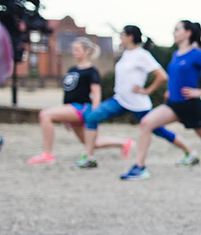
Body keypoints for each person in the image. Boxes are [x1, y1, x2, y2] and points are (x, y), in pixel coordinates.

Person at [121, 20, 201, 180]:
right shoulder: (176, 54)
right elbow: (177, 76)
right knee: (146, 123)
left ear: (188, 33)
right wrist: (170, 89)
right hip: (173, 105)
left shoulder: (197, 54)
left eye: (177, 29)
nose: (174, 32)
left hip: (191, 106)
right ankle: (139, 167)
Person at [75, 26, 197, 169]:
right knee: (92, 117)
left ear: (130, 37)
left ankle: (190, 152)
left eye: (122, 35)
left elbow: (162, 76)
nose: (120, 37)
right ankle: (89, 157)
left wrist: (147, 91)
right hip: (119, 100)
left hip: (138, 103)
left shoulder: (142, 55)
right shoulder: (125, 54)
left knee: (159, 130)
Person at [26, 37, 130, 165]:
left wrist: (95, 114)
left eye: (77, 49)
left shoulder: (92, 71)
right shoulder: (72, 70)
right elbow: (68, 92)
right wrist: (65, 116)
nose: (74, 52)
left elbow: (96, 94)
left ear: (86, 51)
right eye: (73, 49)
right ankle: (124, 143)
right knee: (91, 143)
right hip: (70, 108)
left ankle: (47, 155)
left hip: (82, 108)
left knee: (45, 114)